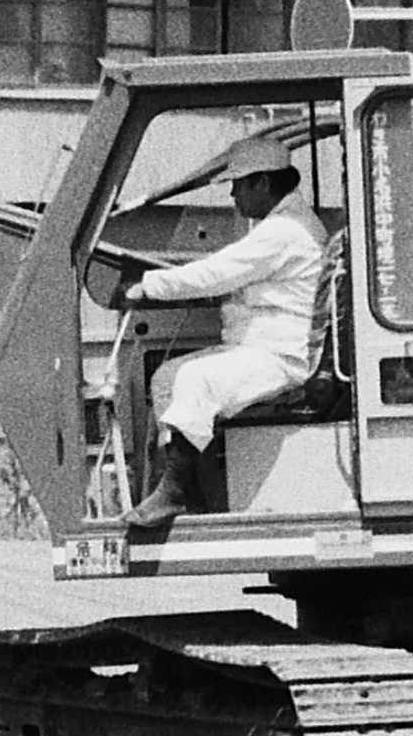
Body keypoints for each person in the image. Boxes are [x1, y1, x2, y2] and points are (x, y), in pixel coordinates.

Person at [118, 146, 330, 530]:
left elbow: (217, 273)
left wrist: (147, 285)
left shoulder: (286, 231)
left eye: (237, 186)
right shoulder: (279, 225)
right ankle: (191, 489)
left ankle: (174, 493)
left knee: (197, 380)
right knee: (168, 376)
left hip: (281, 357)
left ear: (263, 182)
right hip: (258, 347)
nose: (233, 196)